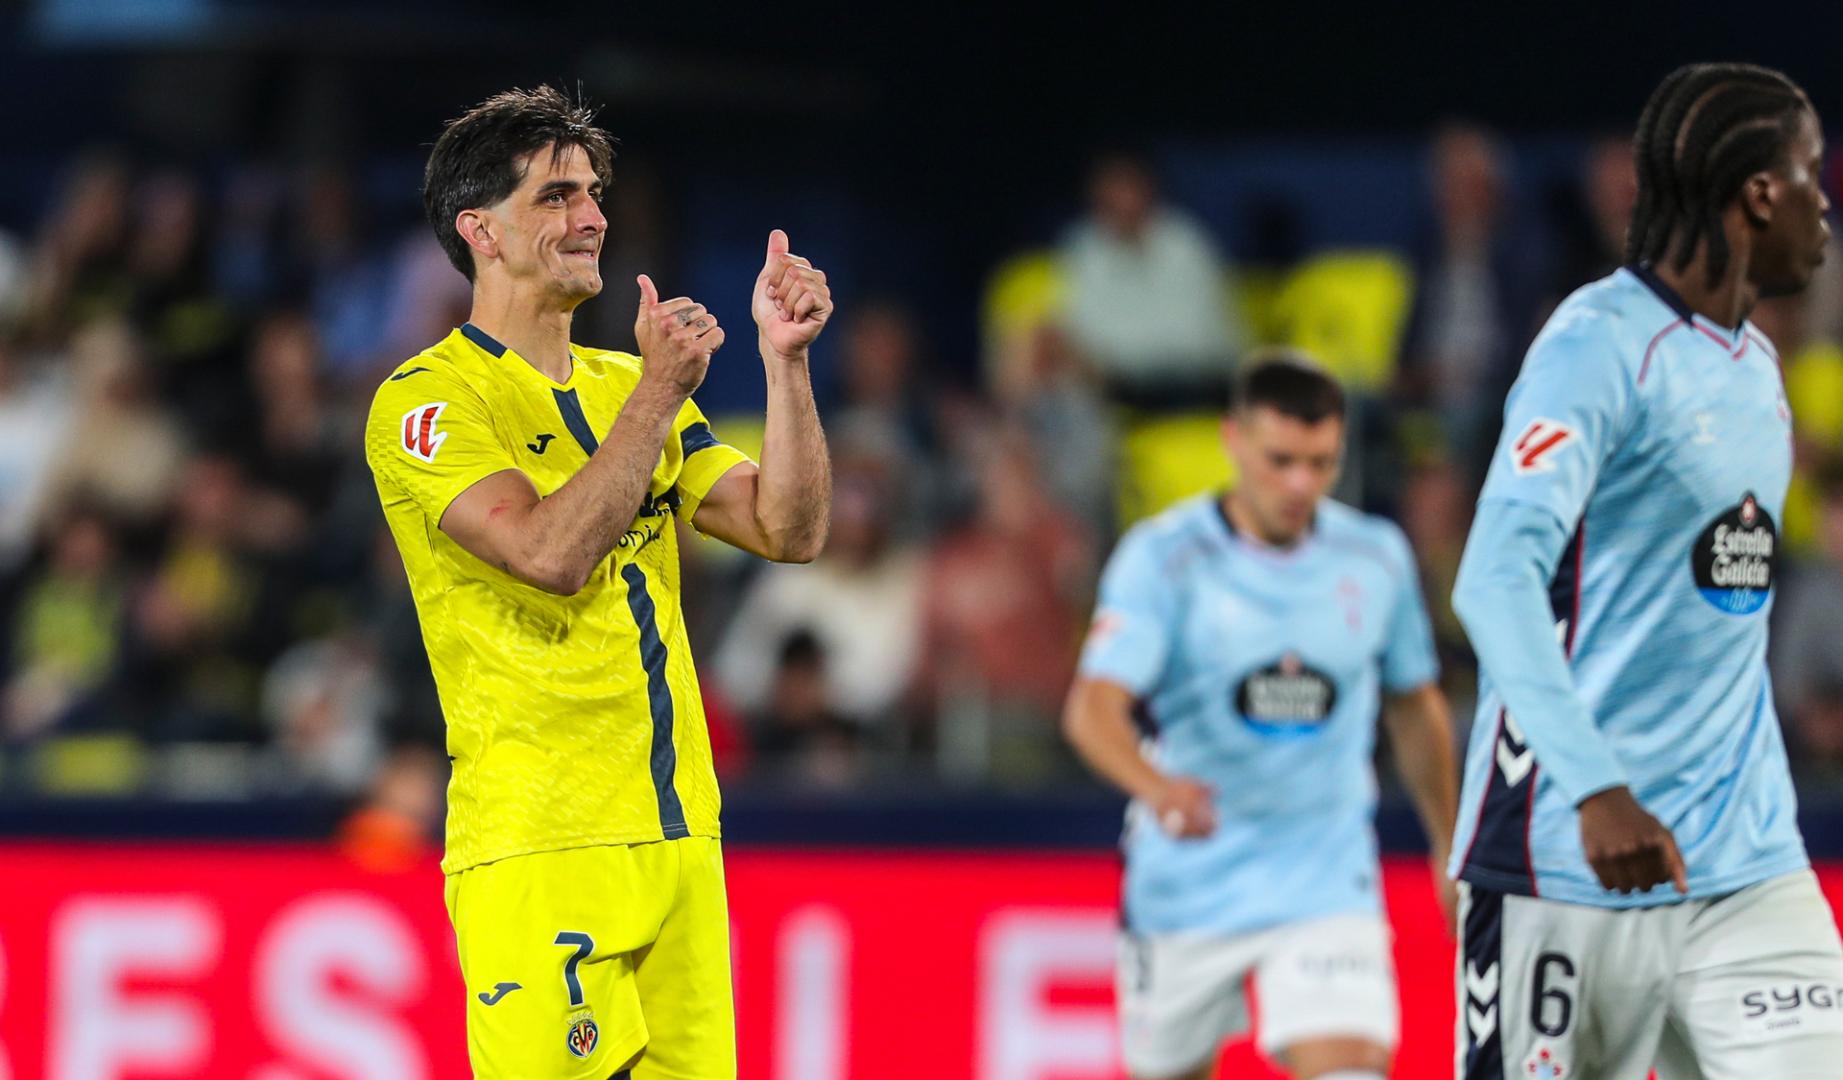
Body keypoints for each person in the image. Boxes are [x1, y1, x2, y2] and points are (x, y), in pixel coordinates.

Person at [364, 86, 831, 1079]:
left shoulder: (625, 386)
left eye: (594, 194)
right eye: (558, 196)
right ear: (479, 229)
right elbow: (547, 554)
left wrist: (783, 366)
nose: (594, 217)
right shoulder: (429, 401)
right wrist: (662, 394)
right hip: (541, 846)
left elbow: (786, 527)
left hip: (674, 834)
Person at [1448, 63, 1843, 1080]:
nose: (1824, 202)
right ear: (1760, 192)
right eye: (1812, 175)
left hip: (1745, 861)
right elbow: (1493, 579)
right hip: (1567, 856)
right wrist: (1598, 790)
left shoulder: (1756, 368)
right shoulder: (1593, 345)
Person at [1064, 354, 1458, 1080]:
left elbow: (1413, 702)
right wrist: (1158, 789)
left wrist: (1445, 840)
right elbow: (1093, 710)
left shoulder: (1374, 558)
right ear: (1233, 441)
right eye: (1280, 460)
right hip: (1188, 883)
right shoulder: (1164, 558)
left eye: (1320, 462)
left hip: (1324, 877)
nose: (1300, 484)